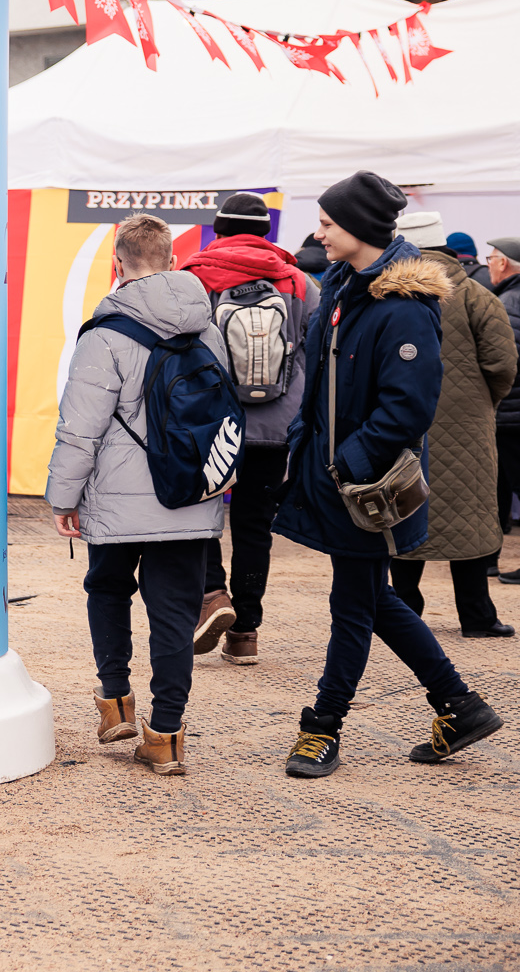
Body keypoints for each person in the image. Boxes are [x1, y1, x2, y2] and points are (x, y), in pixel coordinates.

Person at [272, 172, 504, 779]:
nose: (318, 231)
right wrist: (309, 450)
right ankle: (459, 704)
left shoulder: (402, 308)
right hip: (339, 477)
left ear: (359, 229)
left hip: (365, 486)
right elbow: (321, 384)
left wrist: (347, 461)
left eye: (327, 223)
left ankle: (322, 728)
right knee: (373, 597)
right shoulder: (346, 287)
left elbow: (407, 408)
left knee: (352, 605)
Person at [48, 213, 230, 776]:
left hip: (118, 498)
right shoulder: (209, 327)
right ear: (174, 262)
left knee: (106, 587)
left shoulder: (103, 335)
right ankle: (166, 735)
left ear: (117, 265)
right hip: (191, 494)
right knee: (174, 613)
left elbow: (81, 428)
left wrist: (63, 498)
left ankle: (115, 702)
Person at [180, 192, 318, 665]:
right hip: (275, 426)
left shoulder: (194, 278)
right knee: (255, 526)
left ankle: (213, 595)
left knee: (201, 515)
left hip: (212, 424)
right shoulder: (298, 281)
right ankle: (246, 634)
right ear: (266, 232)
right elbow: (311, 353)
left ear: (217, 230)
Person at [386, 213, 516, 636]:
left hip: (402, 421)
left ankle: (404, 613)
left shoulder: (386, 293)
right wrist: (481, 404)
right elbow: (502, 364)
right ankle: (477, 616)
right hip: (469, 425)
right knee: (470, 515)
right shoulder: (478, 295)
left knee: (405, 508)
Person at [486, 235, 520, 560]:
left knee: (500, 486)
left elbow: (504, 363)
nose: (488, 265)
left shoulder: (507, 303)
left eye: (490, 259)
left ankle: (488, 559)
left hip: (510, 413)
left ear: (504, 263)